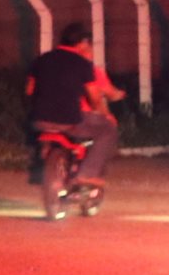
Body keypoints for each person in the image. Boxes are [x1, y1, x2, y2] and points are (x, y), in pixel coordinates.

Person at [25, 23, 119, 189]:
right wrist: (104, 114)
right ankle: (87, 174)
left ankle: (38, 165)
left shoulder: (41, 59)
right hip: (68, 121)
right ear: (82, 43)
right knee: (107, 130)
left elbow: (29, 90)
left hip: (38, 120)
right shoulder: (83, 64)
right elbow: (95, 99)